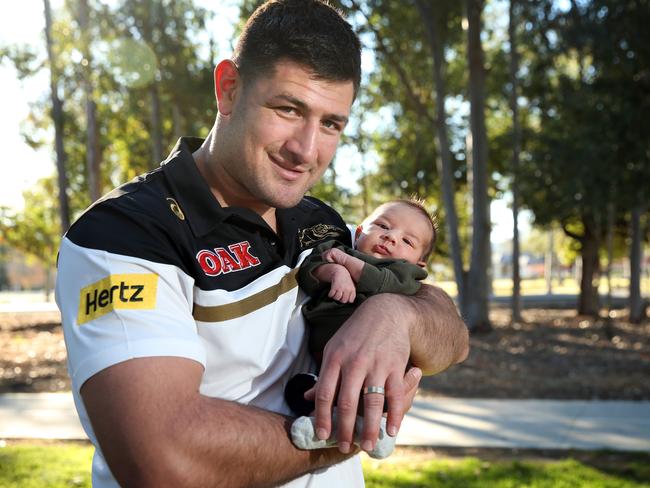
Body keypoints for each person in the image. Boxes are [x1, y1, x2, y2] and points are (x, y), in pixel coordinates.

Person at [55, 1, 469, 486]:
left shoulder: (323, 221)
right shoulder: (125, 234)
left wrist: (397, 316)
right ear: (229, 90)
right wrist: (346, 433)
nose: (306, 150)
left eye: (331, 124)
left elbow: (453, 339)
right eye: (288, 109)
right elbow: (163, 461)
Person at [288, 199, 438, 458]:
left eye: (407, 241)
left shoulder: (404, 274)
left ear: (419, 265)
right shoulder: (337, 249)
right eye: (383, 226)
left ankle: (379, 428)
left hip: (375, 359)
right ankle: (323, 427)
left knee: (374, 391)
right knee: (313, 389)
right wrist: (336, 271)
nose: (391, 237)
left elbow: (385, 282)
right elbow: (310, 270)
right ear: (358, 232)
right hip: (324, 350)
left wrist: (350, 265)